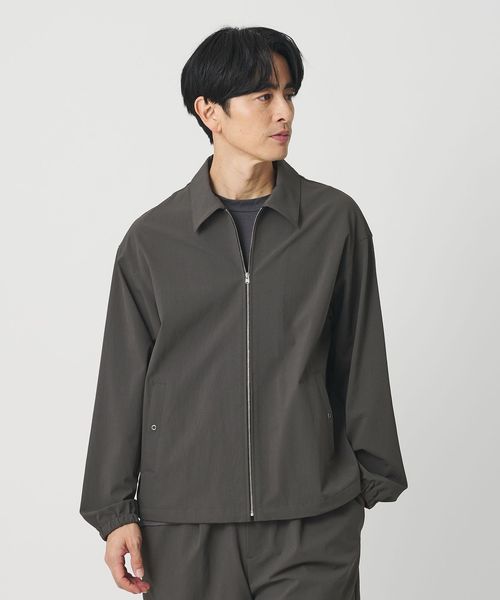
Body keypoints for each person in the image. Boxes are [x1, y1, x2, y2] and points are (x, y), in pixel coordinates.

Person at [79, 26, 408, 599]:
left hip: (311, 517)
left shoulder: (334, 222)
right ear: (210, 111)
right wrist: (114, 510)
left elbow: (359, 353)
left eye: (289, 94)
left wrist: (367, 479)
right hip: (183, 522)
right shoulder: (153, 240)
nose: (285, 112)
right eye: (264, 96)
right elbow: (122, 379)